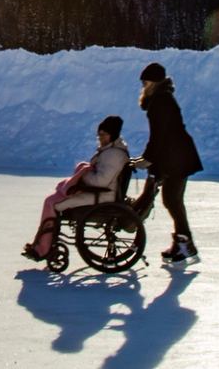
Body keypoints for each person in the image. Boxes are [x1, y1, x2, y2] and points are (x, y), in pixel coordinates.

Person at [23, 115, 131, 262]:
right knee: (52, 200)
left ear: (112, 134)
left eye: (103, 135)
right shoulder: (110, 152)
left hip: (102, 195)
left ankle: (43, 248)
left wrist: (82, 176)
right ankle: (44, 244)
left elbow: (101, 181)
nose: (100, 138)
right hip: (98, 192)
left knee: (53, 204)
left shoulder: (114, 155)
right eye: (99, 135)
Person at [138, 62, 203, 264]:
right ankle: (183, 243)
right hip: (176, 156)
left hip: (178, 157)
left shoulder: (161, 101)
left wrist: (148, 158)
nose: (143, 85)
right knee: (172, 200)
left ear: (154, 82)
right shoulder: (160, 99)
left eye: (146, 81)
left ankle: (185, 245)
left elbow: (160, 135)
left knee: (172, 200)